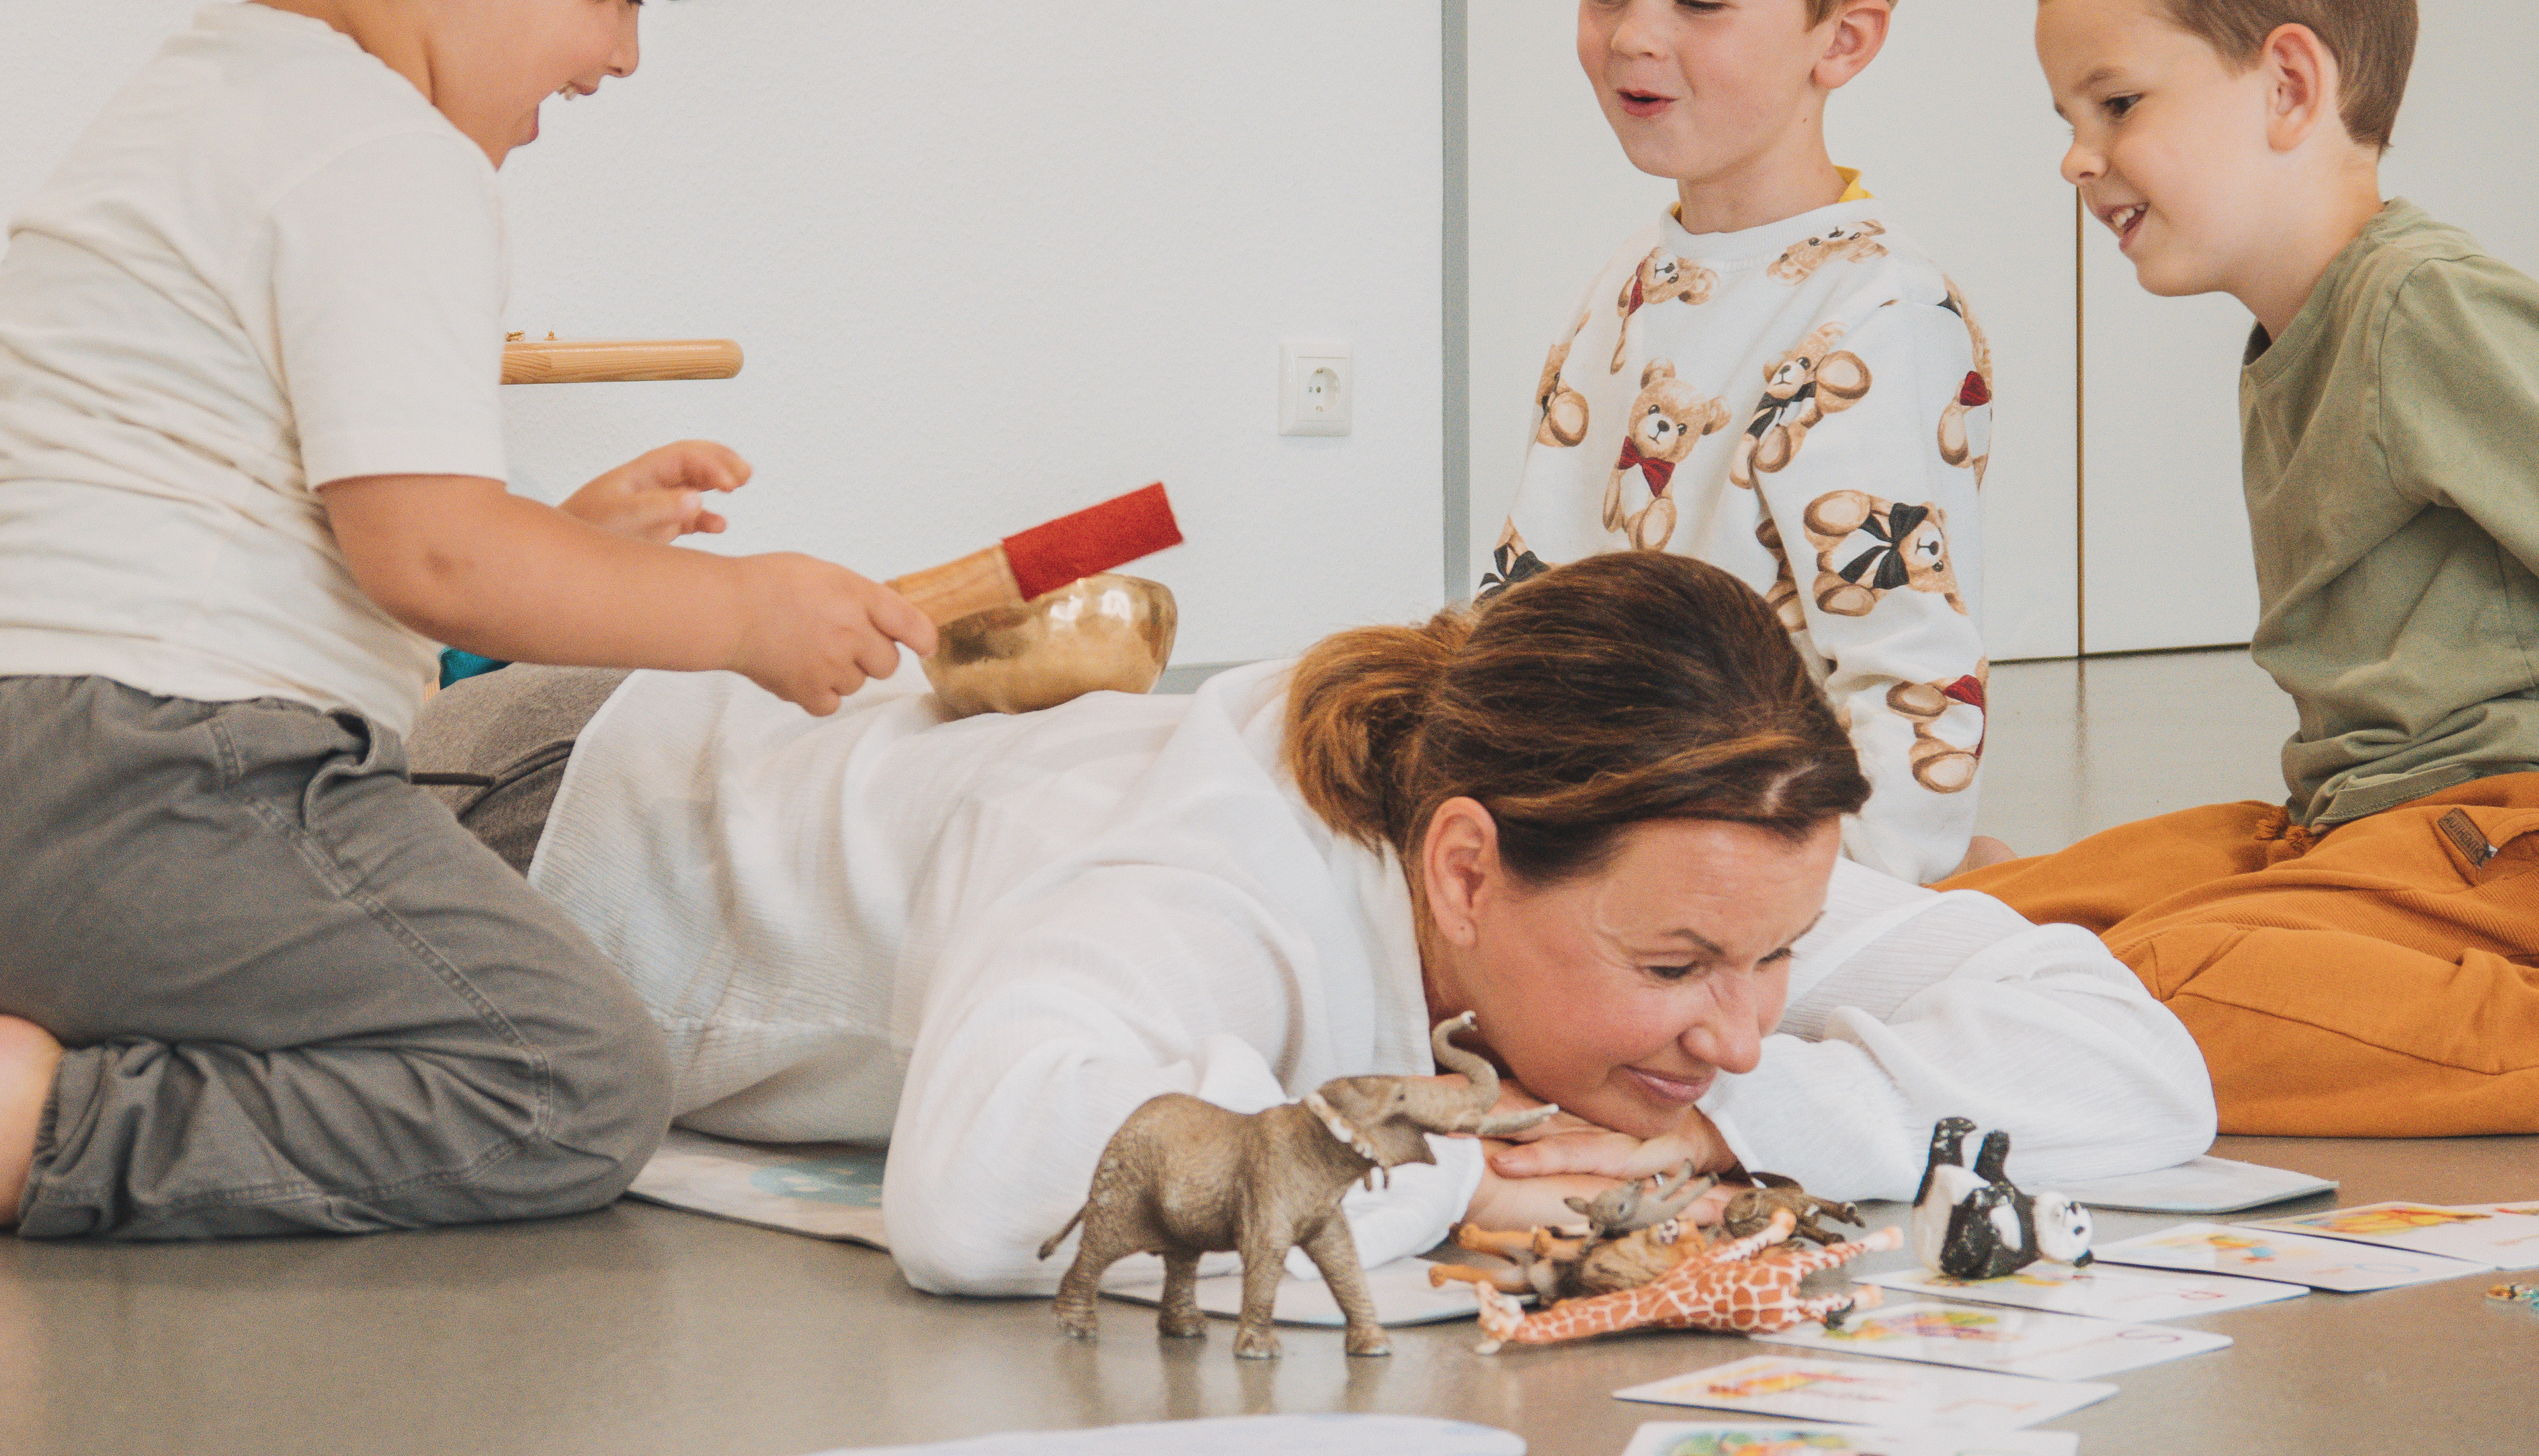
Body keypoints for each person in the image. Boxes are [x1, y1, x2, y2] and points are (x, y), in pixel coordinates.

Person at [0, 0, 934, 1239]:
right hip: (143, 781)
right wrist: (743, 613)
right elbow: (434, 554)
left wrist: (576, 541)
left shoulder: (206, 94)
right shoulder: (387, 153)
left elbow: (317, 519)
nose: (616, 55)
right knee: (566, 1076)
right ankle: (31, 1127)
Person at [409, 550, 2213, 1295]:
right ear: (1462, 868)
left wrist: (1758, 1112)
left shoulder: (1689, 850)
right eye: (1674, 973)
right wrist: (1435, 1171)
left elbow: (2139, 1062)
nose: (1737, 1018)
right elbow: (972, 1189)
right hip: (531, 821)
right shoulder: (1204, 868)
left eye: (1780, 962)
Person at [1952, 0, 2539, 1136]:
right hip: (2358, 822)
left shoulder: (2418, 301)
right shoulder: (2302, 326)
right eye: (2069, 118)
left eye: (2114, 104)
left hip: (2496, 834)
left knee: (2142, 995)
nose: (2076, 158)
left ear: (2287, 84)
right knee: (1970, 930)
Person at [1490, 0, 1995, 886]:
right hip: (1604, 805)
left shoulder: (1878, 314)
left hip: (1754, 865)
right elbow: (1535, 580)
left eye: (1698, 2)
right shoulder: (1632, 275)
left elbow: (1914, 690)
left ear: (1843, 41)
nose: (1632, 37)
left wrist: (1831, 918)